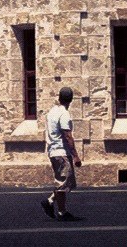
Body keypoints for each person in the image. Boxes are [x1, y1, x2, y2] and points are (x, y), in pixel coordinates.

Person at [41, 87, 82, 222]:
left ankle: (53, 202)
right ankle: (59, 209)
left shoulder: (52, 112)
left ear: (59, 97)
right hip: (61, 151)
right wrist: (75, 155)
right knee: (64, 181)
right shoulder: (64, 114)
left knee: (66, 181)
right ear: (71, 100)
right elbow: (67, 135)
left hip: (53, 150)